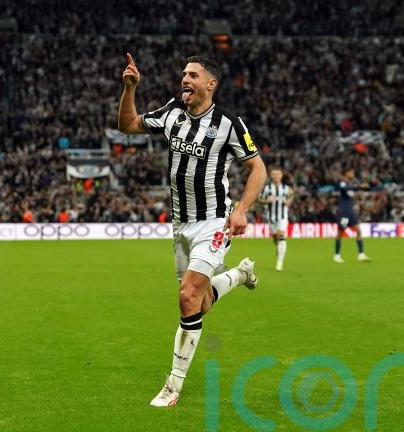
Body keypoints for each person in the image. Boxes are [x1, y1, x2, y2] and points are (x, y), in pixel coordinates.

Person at [118, 53, 267, 407]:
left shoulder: (228, 123)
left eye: (193, 75)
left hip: (214, 221)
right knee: (199, 303)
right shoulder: (172, 113)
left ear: (210, 84)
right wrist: (130, 89)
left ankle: (173, 385)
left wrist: (242, 210)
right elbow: (128, 125)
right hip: (181, 224)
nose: (185, 79)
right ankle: (240, 275)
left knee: (187, 297)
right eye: (184, 73)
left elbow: (258, 168)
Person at [334, 169, 371, 263]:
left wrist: (365, 186)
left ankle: (361, 254)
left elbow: (355, 190)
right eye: (351, 172)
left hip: (351, 212)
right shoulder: (342, 183)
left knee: (358, 230)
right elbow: (345, 189)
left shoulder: (350, 184)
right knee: (340, 233)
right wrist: (359, 186)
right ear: (346, 173)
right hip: (344, 212)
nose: (353, 174)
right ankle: (337, 255)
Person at [259, 167, 293, 271]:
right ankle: (279, 248)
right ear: (271, 175)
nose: (276, 176)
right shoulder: (267, 188)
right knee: (275, 237)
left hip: (282, 216)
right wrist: (266, 201)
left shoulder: (286, 188)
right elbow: (259, 199)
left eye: (278, 174)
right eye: (274, 174)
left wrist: (288, 202)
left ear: (281, 176)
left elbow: (291, 195)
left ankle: (279, 262)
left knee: (281, 235)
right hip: (271, 217)